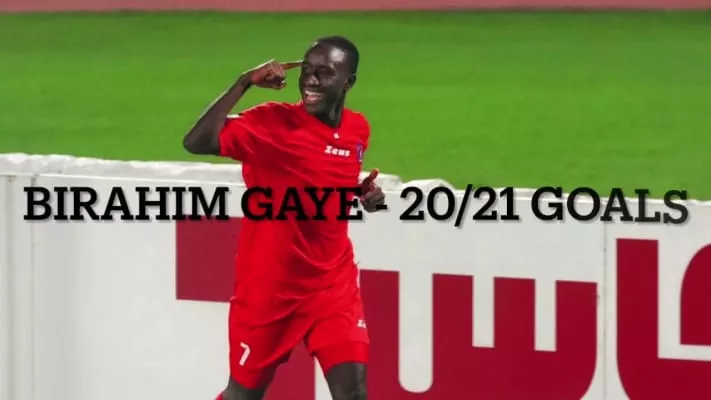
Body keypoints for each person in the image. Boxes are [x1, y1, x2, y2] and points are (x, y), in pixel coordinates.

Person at [182, 36, 386, 400]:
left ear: (348, 82)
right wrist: (244, 83)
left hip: (331, 286)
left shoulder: (357, 130)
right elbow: (197, 142)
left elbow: (327, 173)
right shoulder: (270, 124)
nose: (311, 80)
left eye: (325, 72)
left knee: (354, 393)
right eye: (307, 70)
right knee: (242, 395)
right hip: (269, 293)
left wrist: (360, 192)